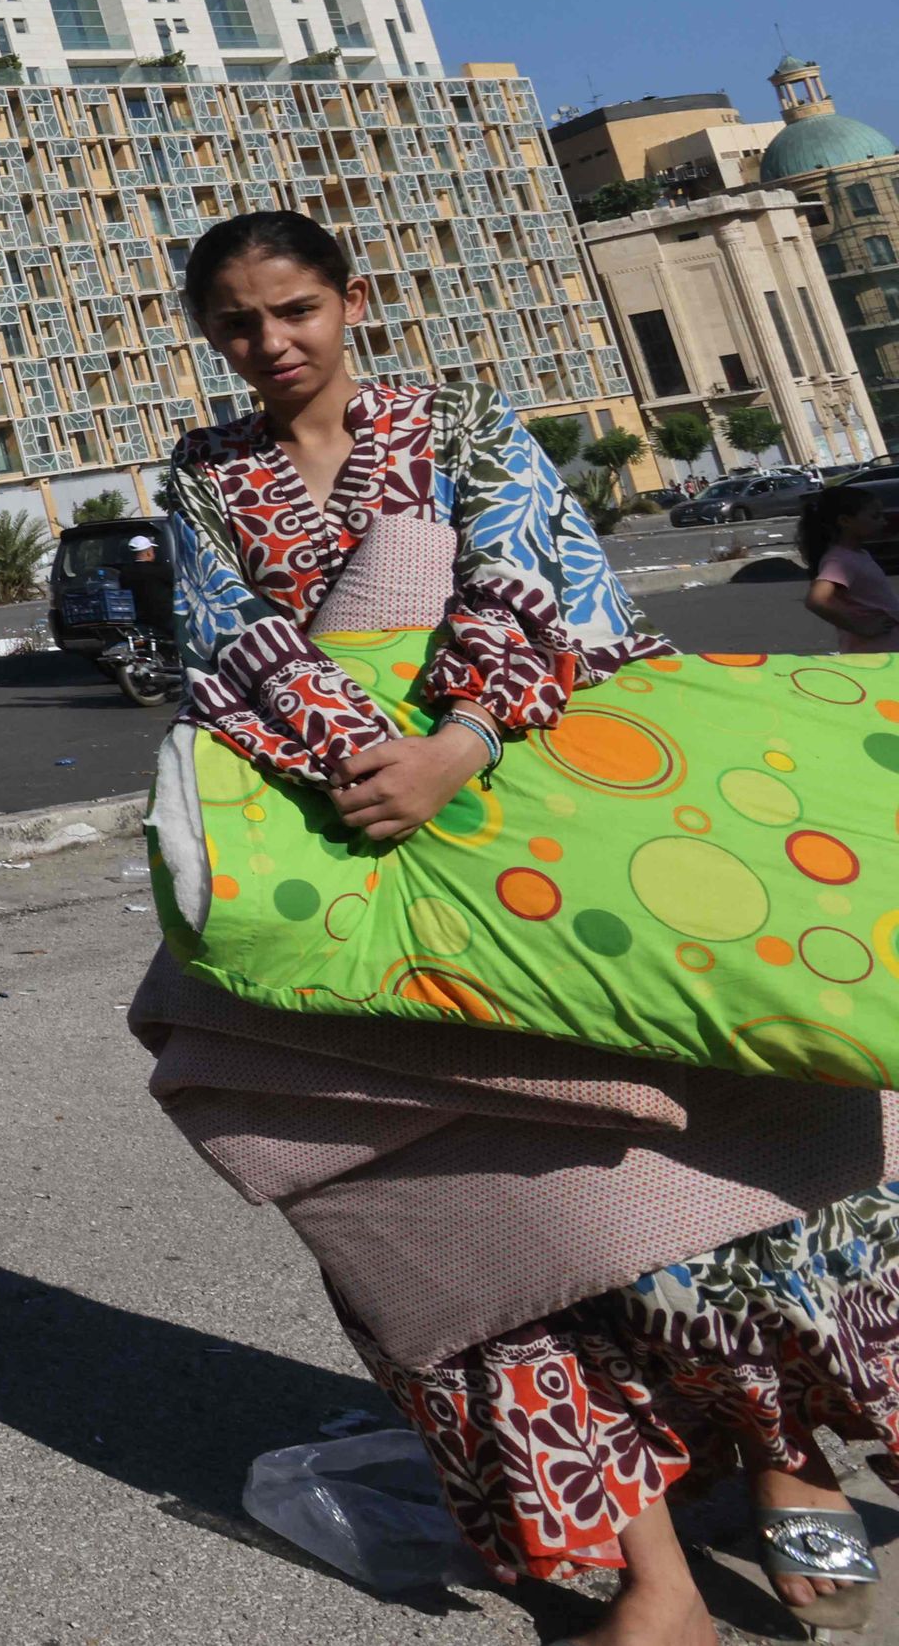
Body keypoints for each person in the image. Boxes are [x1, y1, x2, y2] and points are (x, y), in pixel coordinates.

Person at [149, 208, 899, 1638]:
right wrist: (358, 764)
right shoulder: (205, 480)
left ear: (349, 299)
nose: (272, 343)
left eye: (295, 309)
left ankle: (790, 1458)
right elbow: (222, 646)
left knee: (696, 1161)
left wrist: (466, 741)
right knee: (483, 1214)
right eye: (239, 324)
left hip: (557, 823)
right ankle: (653, 1574)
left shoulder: (463, 423)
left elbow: (536, 584)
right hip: (358, 850)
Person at [800, 482, 899, 649]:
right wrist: (860, 627)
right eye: (875, 516)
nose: (883, 522)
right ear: (845, 521)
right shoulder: (839, 560)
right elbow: (816, 600)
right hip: (874, 652)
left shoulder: (859, 554)